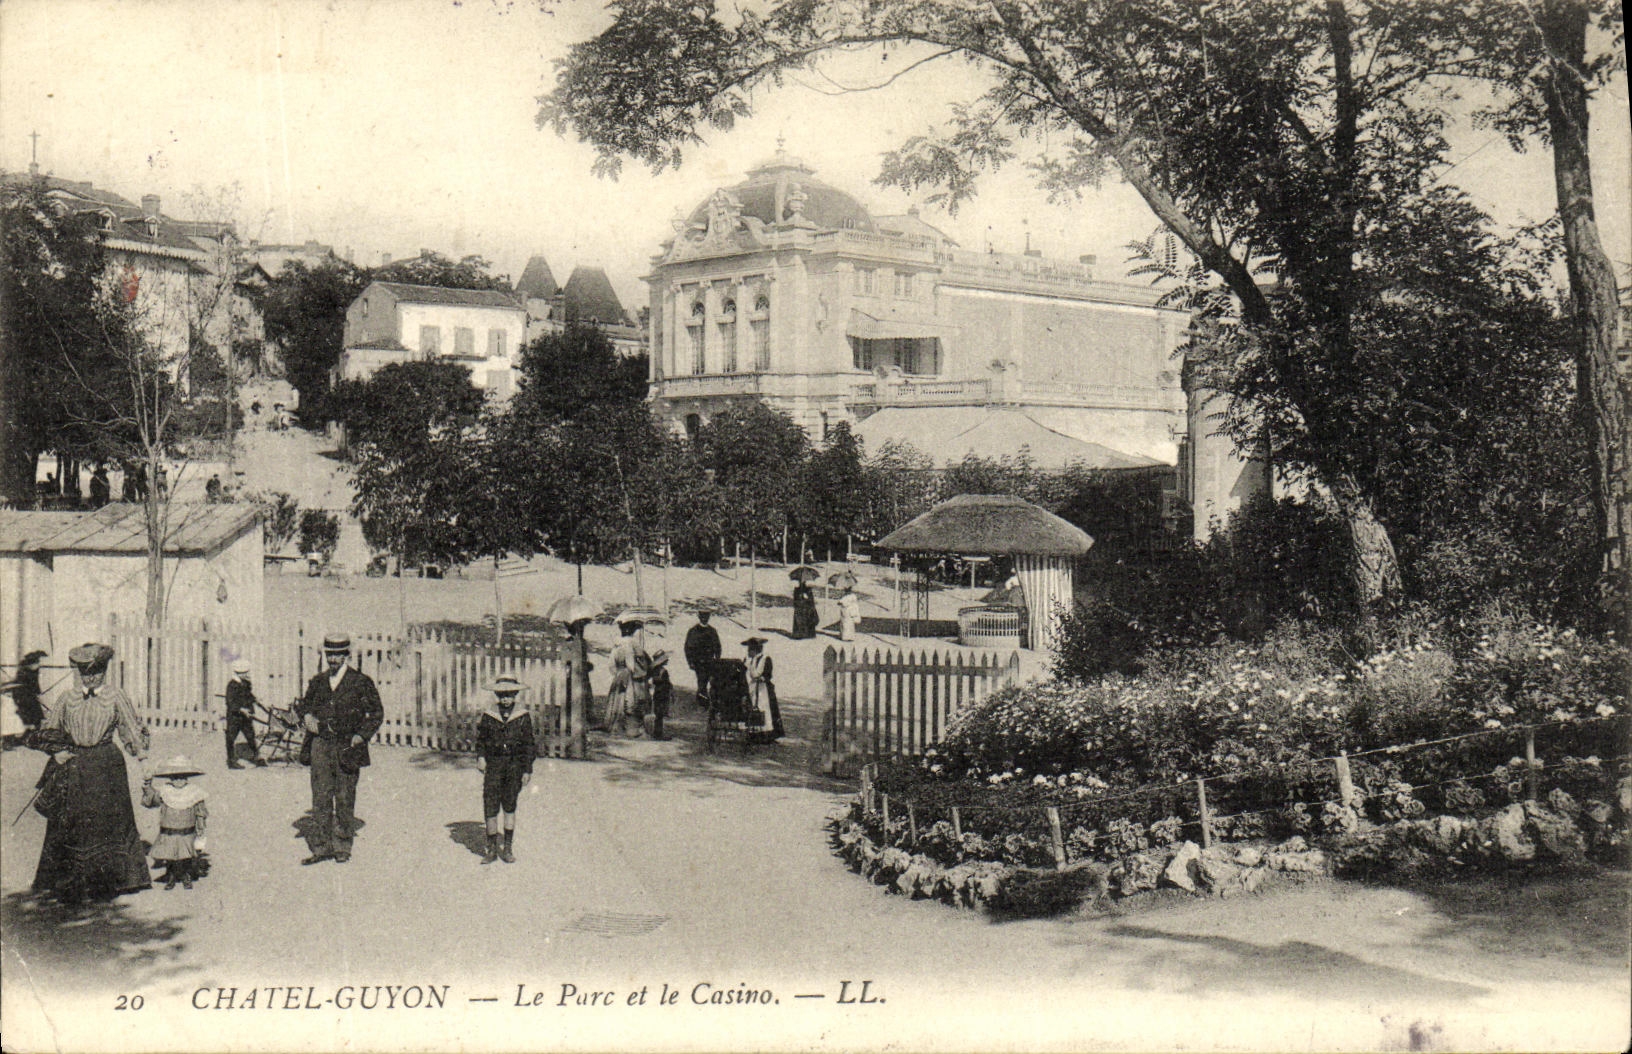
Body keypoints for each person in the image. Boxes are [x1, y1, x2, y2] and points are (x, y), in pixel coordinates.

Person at [24, 643, 152, 905]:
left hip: (107, 766)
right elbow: (49, 731)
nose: (91, 678)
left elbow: (131, 729)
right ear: (78, 673)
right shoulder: (67, 698)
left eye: (96, 672)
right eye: (85, 672)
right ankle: (70, 884)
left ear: (104, 671)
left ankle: (109, 883)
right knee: (73, 822)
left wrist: (143, 761)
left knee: (107, 822)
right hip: (75, 765)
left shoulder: (116, 696)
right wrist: (56, 752)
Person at [297, 634, 383, 865]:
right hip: (320, 744)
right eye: (329, 655)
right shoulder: (318, 681)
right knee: (321, 796)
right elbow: (304, 705)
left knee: (344, 796)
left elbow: (376, 713)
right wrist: (307, 716)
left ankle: (342, 845)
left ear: (346, 655)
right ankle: (322, 847)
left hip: (347, 745)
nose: (333, 659)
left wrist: (361, 735)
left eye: (337, 655)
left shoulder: (360, 682)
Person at [475, 676, 534, 864]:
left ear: (515, 694)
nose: (506, 699)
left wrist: (527, 769)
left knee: (509, 805)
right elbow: (482, 740)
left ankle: (507, 848)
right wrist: (481, 757)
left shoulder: (522, 716)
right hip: (494, 765)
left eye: (509, 695)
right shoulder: (489, 715)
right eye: (502, 695)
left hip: (514, 766)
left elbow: (529, 745)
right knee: (490, 804)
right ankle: (491, 848)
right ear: (496, 695)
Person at [141, 755, 208, 890]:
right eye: (175, 777)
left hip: (187, 830)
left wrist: (200, 825)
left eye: (182, 777)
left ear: (187, 777)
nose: (179, 780)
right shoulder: (165, 791)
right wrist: (147, 785)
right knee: (170, 855)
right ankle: (171, 876)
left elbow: (200, 810)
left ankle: (186, 876)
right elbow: (151, 800)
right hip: (169, 830)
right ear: (170, 778)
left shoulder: (194, 792)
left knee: (186, 855)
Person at [604, 620, 650, 737]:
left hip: (620, 674)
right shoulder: (633, 642)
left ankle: (616, 726)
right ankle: (632, 729)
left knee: (619, 699)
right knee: (633, 700)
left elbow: (611, 664)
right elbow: (633, 662)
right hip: (631, 675)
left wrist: (617, 673)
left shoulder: (617, 644)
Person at [3, 650, 49, 746]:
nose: (39, 664)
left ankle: (31, 736)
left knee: (35, 718)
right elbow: (22, 684)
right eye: (37, 662)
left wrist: (37, 693)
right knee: (30, 717)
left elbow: (34, 684)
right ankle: (25, 738)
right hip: (23, 697)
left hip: (28, 696)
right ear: (31, 663)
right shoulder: (25, 671)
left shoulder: (32, 670)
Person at [223, 660, 264, 768]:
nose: (247, 674)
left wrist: (255, 700)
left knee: (251, 736)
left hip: (246, 716)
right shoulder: (232, 685)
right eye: (244, 672)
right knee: (231, 738)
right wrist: (241, 709)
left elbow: (248, 695)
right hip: (235, 717)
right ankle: (231, 761)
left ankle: (257, 757)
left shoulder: (246, 683)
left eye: (247, 672)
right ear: (238, 673)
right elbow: (230, 702)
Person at [743, 638, 785, 742]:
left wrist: (762, 678)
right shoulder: (749, 660)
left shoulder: (765, 659)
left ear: (755, 650)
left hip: (763, 688)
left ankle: (767, 734)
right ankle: (754, 733)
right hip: (753, 687)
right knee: (753, 707)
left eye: (750, 650)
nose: (748, 652)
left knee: (765, 709)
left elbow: (767, 673)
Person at [683, 610, 722, 709]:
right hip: (699, 662)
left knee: (712, 681)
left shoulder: (712, 631)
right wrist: (690, 662)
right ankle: (702, 702)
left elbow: (717, 646)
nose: (705, 619)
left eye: (706, 617)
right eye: (703, 617)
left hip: (710, 661)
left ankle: (712, 701)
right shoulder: (693, 631)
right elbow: (688, 648)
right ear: (699, 617)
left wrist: (717, 658)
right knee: (702, 682)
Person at [646, 647, 672, 741]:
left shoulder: (655, 671)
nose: (667, 660)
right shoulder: (663, 671)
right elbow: (666, 683)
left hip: (657, 693)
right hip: (663, 693)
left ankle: (657, 733)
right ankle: (658, 734)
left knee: (658, 714)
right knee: (660, 715)